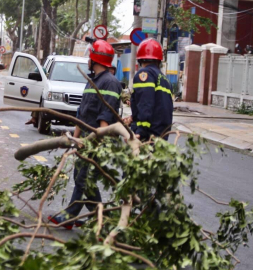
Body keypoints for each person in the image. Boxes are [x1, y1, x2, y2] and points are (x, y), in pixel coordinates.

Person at [48, 39, 122, 229]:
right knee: (81, 178)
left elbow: (106, 114)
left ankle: (70, 217)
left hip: (97, 140)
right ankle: (100, 220)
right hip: (86, 139)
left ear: (94, 59)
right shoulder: (92, 81)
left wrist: (97, 141)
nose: (87, 60)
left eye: (89, 57)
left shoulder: (111, 83)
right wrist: (76, 138)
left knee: (84, 179)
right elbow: (82, 112)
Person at [124, 38, 174, 141]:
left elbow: (145, 104)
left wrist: (140, 131)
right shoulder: (165, 80)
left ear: (140, 58)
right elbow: (159, 107)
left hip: (148, 136)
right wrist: (133, 118)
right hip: (162, 136)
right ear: (159, 59)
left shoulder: (144, 75)